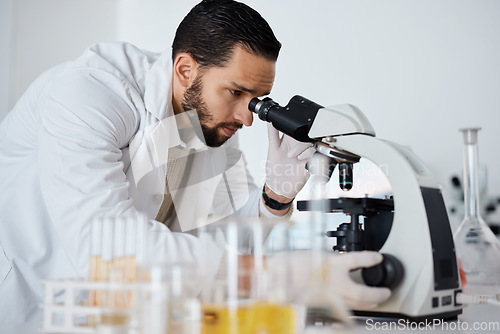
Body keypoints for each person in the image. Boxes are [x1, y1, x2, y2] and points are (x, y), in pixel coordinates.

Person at [0, 0, 390, 324]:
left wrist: (275, 196)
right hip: (30, 302)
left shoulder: (209, 125)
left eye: (257, 99)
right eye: (237, 92)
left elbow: (220, 241)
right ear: (185, 70)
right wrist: (280, 278)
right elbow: (105, 249)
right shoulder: (88, 93)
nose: (248, 117)